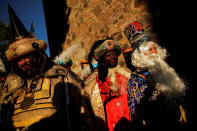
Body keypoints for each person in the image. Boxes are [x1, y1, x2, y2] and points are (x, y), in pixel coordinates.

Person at [0, 4, 84, 131]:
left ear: (37, 55)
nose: (24, 62)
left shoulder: (61, 78)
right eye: (19, 60)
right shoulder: (10, 90)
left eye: (27, 56)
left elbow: (82, 115)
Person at [123, 21, 187, 130]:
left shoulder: (166, 71)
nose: (154, 52)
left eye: (155, 48)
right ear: (140, 55)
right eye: (149, 50)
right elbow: (136, 118)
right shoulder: (135, 82)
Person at [84, 39, 133, 131]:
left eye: (114, 53)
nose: (113, 57)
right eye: (108, 55)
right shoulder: (96, 83)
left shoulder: (126, 75)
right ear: (102, 59)